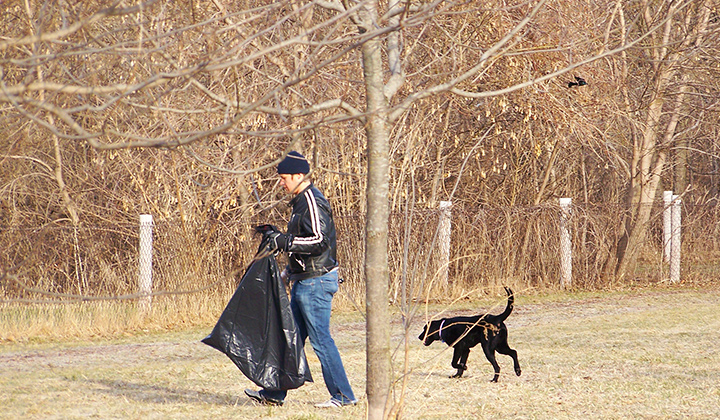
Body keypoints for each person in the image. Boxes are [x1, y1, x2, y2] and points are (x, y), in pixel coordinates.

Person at [245, 151, 357, 408]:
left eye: (284, 178)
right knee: (290, 338)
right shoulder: (300, 202)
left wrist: (284, 241)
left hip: (316, 282)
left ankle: (343, 396)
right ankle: (273, 394)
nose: (281, 183)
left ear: (298, 176)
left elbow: (320, 241)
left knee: (320, 339)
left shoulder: (312, 201)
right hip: (304, 280)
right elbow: (304, 242)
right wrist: (288, 269)